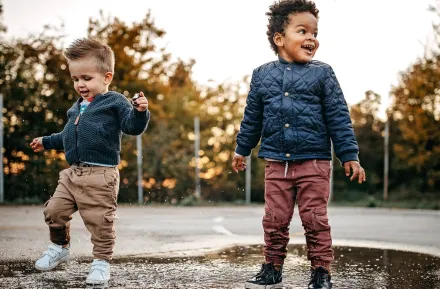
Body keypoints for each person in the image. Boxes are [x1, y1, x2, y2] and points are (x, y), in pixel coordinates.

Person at [232, 1, 366, 288]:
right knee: (275, 219)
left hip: (314, 162)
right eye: (302, 31)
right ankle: (272, 268)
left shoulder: (323, 74)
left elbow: (339, 118)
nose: (311, 38)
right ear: (279, 39)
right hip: (276, 162)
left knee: (315, 218)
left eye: (314, 33)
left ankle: (321, 272)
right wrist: (242, 149)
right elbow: (252, 118)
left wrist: (349, 155)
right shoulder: (262, 75)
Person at [30, 38, 150, 287]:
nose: (80, 84)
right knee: (54, 211)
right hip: (72, 174)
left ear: (106, 77)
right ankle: (60, 247)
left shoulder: (114, 101)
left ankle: (101, 262)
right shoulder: (76, 109)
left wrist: (140, 112)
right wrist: (46, 141)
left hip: (101, 174)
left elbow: (131, 127)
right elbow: (67, 136)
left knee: (99, 221)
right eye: (75, 79)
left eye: (86, 78)